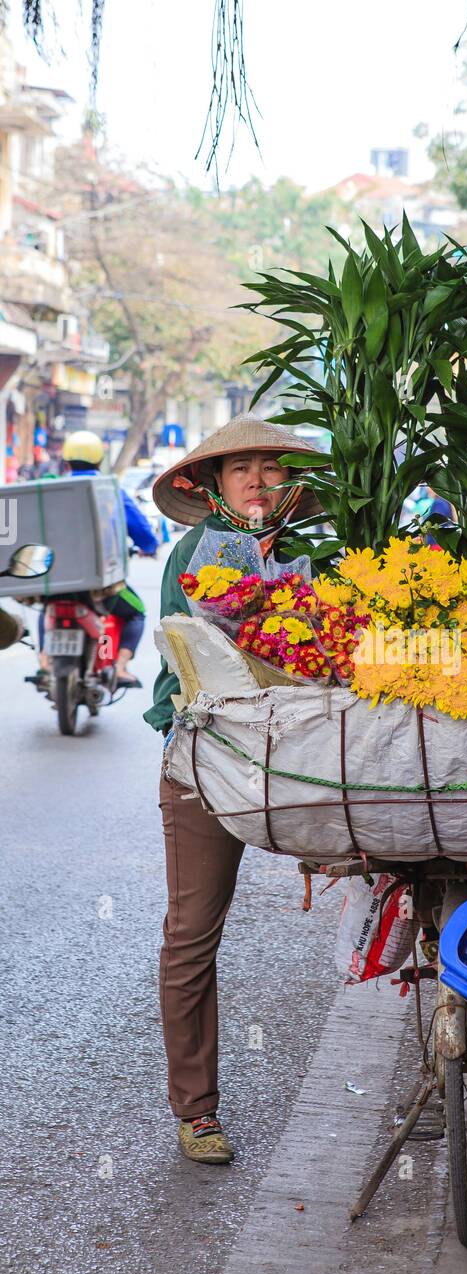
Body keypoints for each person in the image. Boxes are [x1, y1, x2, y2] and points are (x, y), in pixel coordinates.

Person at [145, 414, 326, 1164]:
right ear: (213, 484)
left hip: (311, 755)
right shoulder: (193, 555)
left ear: (291, 482)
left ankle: (446, 1060)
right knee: (192, 934)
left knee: (416, 856)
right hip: (210, 760)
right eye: (239, 467)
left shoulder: (320, 558)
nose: (256, 479)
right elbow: (179, 663)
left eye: (270, 467)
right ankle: (197, 1112)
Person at [37, 431, 157, 687]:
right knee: (137, 613)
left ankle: (44, 659)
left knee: (48, 605)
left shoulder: (49, 492)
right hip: (101, 587)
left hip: (56, 582)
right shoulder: (112, 492)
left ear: (66, 463)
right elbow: (146, 537)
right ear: (99, 462)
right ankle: (121, 666)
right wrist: (148, 546)